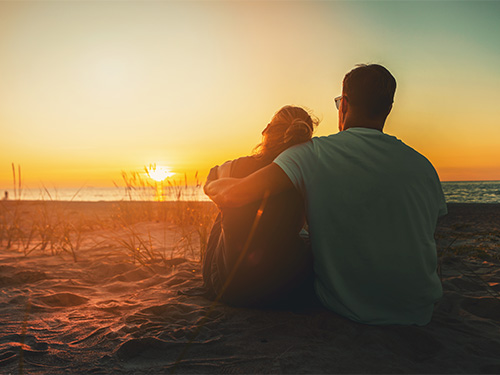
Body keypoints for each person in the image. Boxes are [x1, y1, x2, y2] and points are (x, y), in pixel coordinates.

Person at [205, 64, 447, 325]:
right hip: (419, 311)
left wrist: (213, 184)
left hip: (348, 309)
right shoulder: (424, 166)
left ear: (344, 104)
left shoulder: (312, 153)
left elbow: (234, 196)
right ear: (388, 109)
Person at [203, 105, 319, 308]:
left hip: (228, 285)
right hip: (281, 287)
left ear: (267, 130)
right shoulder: (304, 173)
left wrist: (223, 189)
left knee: (222, 216)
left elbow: (211, 177)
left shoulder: (236, 167)